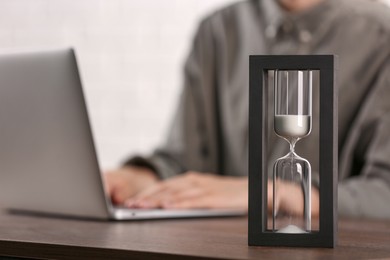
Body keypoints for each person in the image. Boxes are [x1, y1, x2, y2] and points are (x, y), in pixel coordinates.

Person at [105, 0, 390, 219]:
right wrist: (137, 180)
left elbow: (384, 190)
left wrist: (276, 193)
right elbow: (185, 161)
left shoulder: (381, 37)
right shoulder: (217, 31)